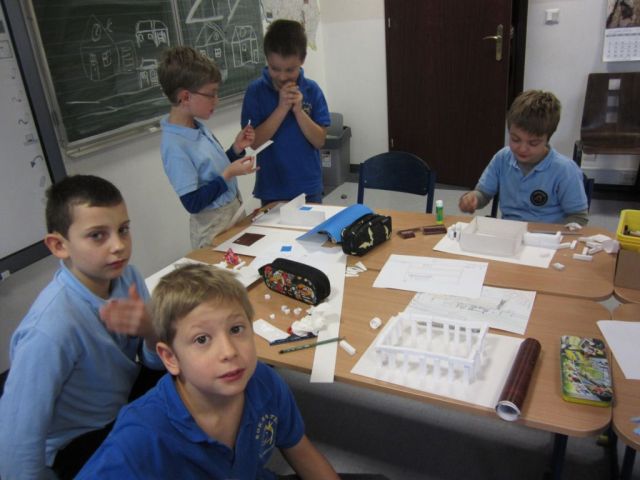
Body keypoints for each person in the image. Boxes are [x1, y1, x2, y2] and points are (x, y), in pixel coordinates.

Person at [77, 264, 339, 479]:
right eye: (202, 339)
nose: (229, 351)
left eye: (236, 329)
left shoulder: (264, 381)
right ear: (170, 358)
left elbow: (300, 450)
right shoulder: (140, 436)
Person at [0, 175, 165, 479]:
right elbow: (17, 446)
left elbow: (156, 363)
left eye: (123, 230)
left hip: (122, 404)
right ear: (59, 245)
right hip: (79, 442)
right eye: (97, 235)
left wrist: (150, 329)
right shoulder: (49, 330)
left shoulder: (128, 278)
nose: (118, 246)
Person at [158, 46, 257, 249]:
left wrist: (235, 150)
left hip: (233, 214)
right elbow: (193, 202)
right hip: (213, 228)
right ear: (185, 97)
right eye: (211, 94)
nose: (216, 100)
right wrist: (228, 174)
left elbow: (213, 170)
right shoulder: (174, 145)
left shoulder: (196, 126)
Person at [458, 90, 589, 225]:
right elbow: (483, 193)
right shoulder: (502, 158)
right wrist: (473, 198)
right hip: (510, 232)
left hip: (547, 235)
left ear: (547, 139)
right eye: (515, 139)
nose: (522, 149)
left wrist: (553, 234)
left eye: (533, 143)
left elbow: (579, 217)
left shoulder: (565, 170)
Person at [242, 19, 330, 206]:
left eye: (290, 70)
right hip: (272, 189)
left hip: (309, 187)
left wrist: (298, 111)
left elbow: (319, 141)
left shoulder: (312, 90)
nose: (282, 77)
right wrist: (282, 108)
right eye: (275, 69)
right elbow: (254, 143)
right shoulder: (255, 92)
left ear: (302, 60)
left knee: (312, 227)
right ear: (267, 59)